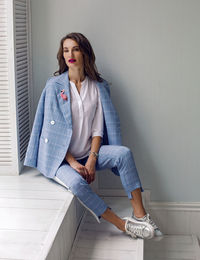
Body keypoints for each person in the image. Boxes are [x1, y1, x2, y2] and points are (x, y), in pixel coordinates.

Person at [24, 32, 162, 240]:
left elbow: (98, 130)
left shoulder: (97, 86)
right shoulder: (54, 86)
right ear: (62, 55)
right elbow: (51, 133)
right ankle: (123, 225)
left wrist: (91, 160)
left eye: (75, 49)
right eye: (66, 50)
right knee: (78, 184)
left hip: (88, 153)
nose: (70, 54)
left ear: (85, 52)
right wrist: (72, 162)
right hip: (61, 159)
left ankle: (141, 216)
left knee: (123, 154)